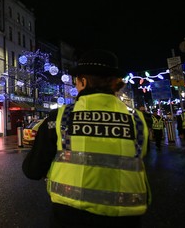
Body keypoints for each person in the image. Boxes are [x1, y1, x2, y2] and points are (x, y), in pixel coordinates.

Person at [22, 50, 151, 228]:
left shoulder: (59, 118)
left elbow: (32, 170)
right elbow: (141, 156)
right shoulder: (137, 119)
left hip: (70, 216)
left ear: (82, 81)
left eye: (76, 80)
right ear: (115, 83)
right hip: (125, 217)